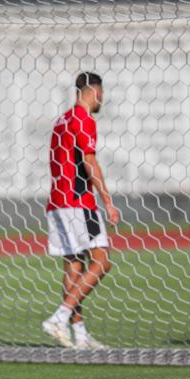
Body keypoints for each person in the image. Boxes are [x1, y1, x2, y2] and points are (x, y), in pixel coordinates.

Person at [42, 72, 119, 350]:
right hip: (79, 202)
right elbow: (89, 161)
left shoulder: (62, 120)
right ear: (95, 91)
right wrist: (107, 201)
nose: (103, 99)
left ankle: (79, 333)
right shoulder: (84, 119)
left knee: (74, 266)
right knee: (102, 261)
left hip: (58, 201)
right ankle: (58, 317)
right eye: (102, 94)